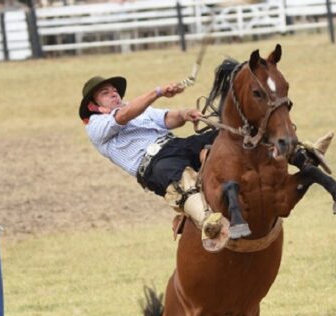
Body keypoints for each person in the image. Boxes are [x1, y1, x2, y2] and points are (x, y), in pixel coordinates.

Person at [80, 75, 229, 251]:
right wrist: (157, 92)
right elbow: (122, 117)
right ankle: (209, 223)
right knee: (180, 180)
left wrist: (184, 114)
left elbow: (168, 119)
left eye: (114, 90)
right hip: (153, 164)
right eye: (105, 93)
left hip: (176, 145)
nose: (114, 94)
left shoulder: (136, 108)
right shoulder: (96, 125)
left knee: (224, 137)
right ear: (93, 105)